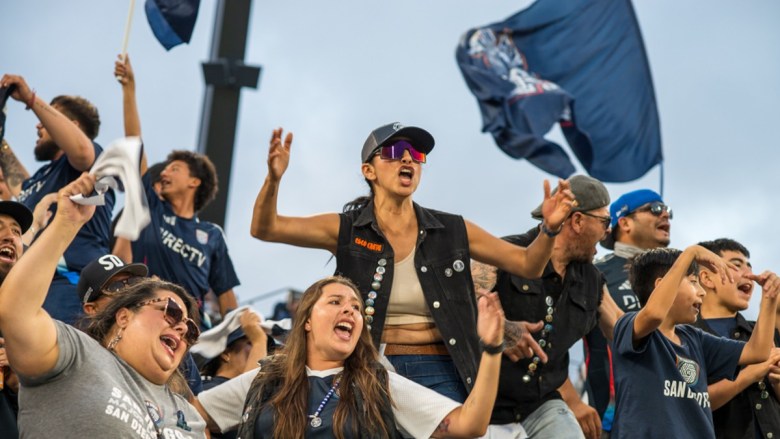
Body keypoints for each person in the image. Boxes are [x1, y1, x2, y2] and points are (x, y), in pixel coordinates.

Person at [250, 123, 574, 402]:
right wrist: (274, 179)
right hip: (366, 367)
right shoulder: (346, 228)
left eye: (416, 155)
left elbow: (528, 264)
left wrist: (549, 229)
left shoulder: (452, 230)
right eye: (393, 151)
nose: (407, 158)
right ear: (368, 171)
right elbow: (266, 228)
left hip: (443, 372)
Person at [0, 173, 207, 437]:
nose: (181, 328)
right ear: (124, 316)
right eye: (172, 312)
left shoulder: (189, 416)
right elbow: (16, 312)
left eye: (190, 329)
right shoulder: (75, 354)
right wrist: (66, 223)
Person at [195, 275, 506, 438]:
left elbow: (470, 425)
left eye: (356, 307)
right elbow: (193, 417)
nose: (349, 310)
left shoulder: (379, 384)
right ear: (306, 321)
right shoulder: (266, 380)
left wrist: (492, 350)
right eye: (335, 302)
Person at [471, 175, 622, 439]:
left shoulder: (592, 280)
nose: (608, 230)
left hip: (542, 405)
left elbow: (624, 330)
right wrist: (501, 329)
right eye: (604, 221)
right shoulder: (505, 252)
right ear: (577, 221)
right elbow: (456, 305)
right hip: (485, 405)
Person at [113, 55, 240, 325]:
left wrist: (235, 337)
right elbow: (134, 143)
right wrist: (129, 89)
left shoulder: (212, 236)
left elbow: (227, 298)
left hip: (187, 331)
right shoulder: (151, 207)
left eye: (175, 169)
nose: (165, 172)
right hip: (141, 316)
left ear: (195, 182)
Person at [611, 246, 779, 438]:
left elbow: (757, 352)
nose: (702, 292)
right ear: (662, 285)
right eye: (693, 282)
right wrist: (691, 253)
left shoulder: (694, 338)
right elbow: (655, 314)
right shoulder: (628, 325)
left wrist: (769, 300)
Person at [0, 74, 115, 325]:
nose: (38, 125)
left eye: (47, 117)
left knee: (45, 363)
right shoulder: (40, 178)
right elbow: (15, 183)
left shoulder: (92, 160)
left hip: (70, 284)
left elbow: (83, 152)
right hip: (29, 282)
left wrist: (30, 99)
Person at [584, 189, 672, 435]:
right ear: (624, 222)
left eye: (668, 211)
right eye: (655, 208)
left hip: (676, 409)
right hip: (615, 415)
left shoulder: (680, 275)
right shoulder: (594, 271)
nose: (665, 214)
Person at [693, 238, 780, 438]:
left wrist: (776, 381)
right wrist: (750, 374)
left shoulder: (762, 331)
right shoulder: (685, 335)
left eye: (749, 266)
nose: (749, 274)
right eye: (736, 265)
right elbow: (689, 402)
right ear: (707, 279)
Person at [192, 308, 269, 439]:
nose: (263, 351)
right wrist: (258, 340)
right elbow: (248, 400)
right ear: (226, 354)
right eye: (249, 342)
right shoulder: (206, 387)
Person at [0, 199, 33, 439]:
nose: (10, 236)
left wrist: (17, 375)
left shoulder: (27, 315)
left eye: (16, 231)